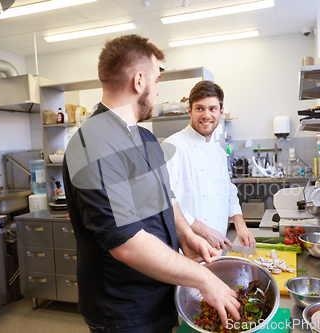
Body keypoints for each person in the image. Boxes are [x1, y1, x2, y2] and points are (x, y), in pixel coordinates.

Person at [62, 35, 240, 333]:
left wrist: (185, 235)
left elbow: (165, 198)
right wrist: (204, 279)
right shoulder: (94, 143)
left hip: (159, 295)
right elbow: (126, 244)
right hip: (123, 309)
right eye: (157, 81)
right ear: (139, 81)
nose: (157, 91)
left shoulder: (143, 137)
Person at [163, 81, 256, 251]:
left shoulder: (219, 152)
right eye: (200, 108)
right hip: (188, 250)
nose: (206, 115)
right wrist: (205, 231)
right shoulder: (173, 146)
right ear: (190, 110)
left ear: (221, 112)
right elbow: (165, 201)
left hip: (217, 247)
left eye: (212, 109)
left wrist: (240, 225)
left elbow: (228, 191)